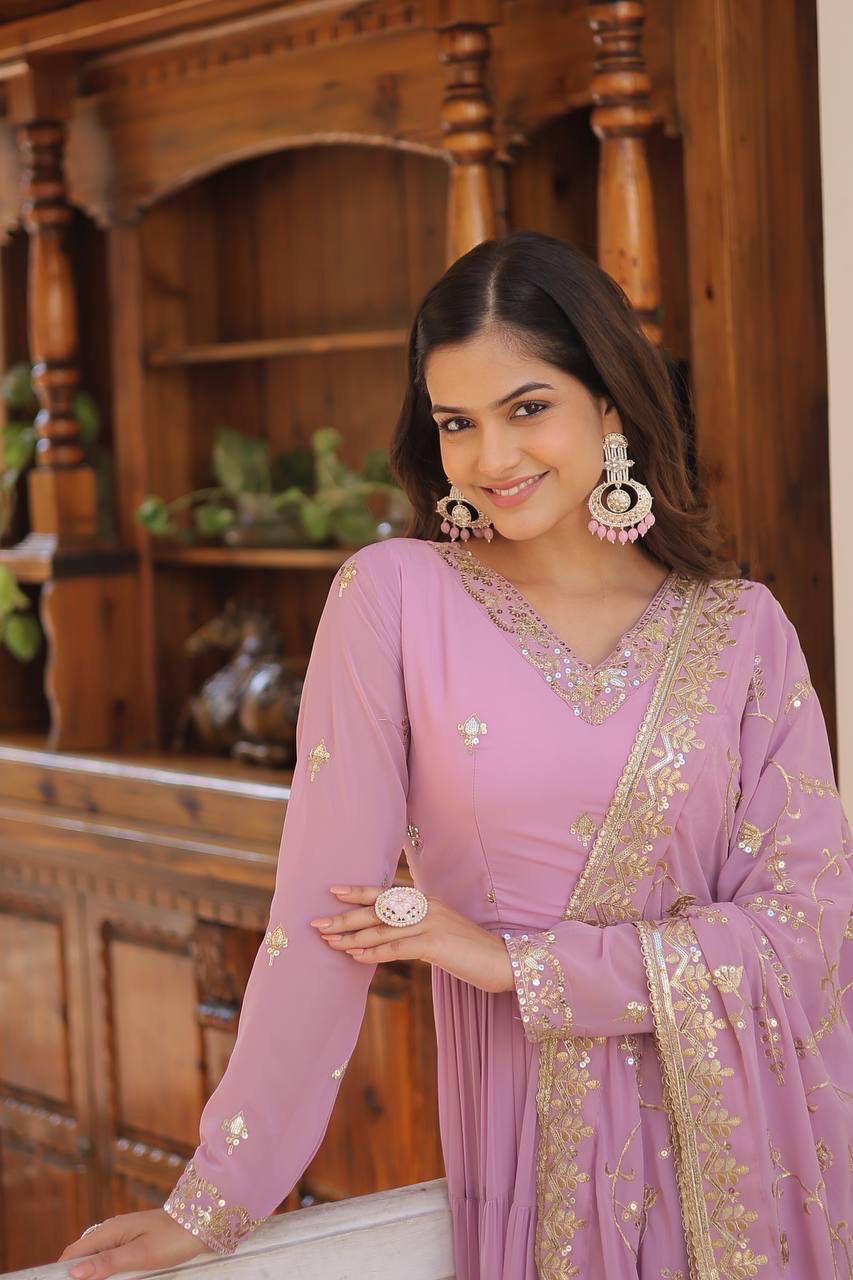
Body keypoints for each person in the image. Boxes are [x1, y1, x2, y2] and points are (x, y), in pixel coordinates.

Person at [58, 231, 852, 1280]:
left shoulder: (741, 627)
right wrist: (219, 1197)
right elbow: (320, 913)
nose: (491, 458)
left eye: (528, 408)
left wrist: (514, 962)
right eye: (456, 423)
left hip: (749, 1168)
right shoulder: (395, 598)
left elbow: (809, 929)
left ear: (610, 406)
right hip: (531, 1146)